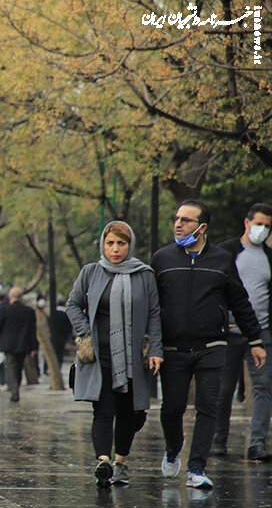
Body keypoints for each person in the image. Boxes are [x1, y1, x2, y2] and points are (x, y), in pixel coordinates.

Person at [151, 199, 266, 489]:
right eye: (176, 218)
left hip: (212, 347)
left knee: (208, 408)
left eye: (186, 220)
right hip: (173, 348)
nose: (178, 224)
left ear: (202, 227)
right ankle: (173, 447)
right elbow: (152, 306)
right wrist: (151, 344)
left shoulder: (221, 259)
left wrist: (255, 340)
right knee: (172, 409)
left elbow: (240, 302)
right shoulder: (162, 259)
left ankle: (196, 468)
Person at [67, 221, 164, 487]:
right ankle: (103, 462)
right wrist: (85, 334)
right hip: (100, 356)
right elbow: (73, 305)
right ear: (103, 244)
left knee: (129, 412)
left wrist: (155, 348)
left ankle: (120, 462)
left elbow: (155, 313)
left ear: (129, 245)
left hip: (133, 356)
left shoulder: (144, 275)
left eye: (121, 243)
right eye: (110, 243)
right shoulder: (91, 272)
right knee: (103, 409)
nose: (115, 249)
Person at [212, 203, 272, 462]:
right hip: (228, 332)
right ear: (247, 223)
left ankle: (257, 443)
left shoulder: (270, 258)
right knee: (223, 389)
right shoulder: (226, 252)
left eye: (268, 226)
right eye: (259, 223)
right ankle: (218, 441)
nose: (263, 229)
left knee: (263, 387)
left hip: (262, 332)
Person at [0, 287, 37, 402]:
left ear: (10, 297)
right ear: (21, 298)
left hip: (8, 344)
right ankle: (16, 389)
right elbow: (32, 331)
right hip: (23, 344)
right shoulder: (29, 311)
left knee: (10, 366)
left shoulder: (4, 310)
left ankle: (14, 392)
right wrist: (34, 347)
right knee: (18, 368)